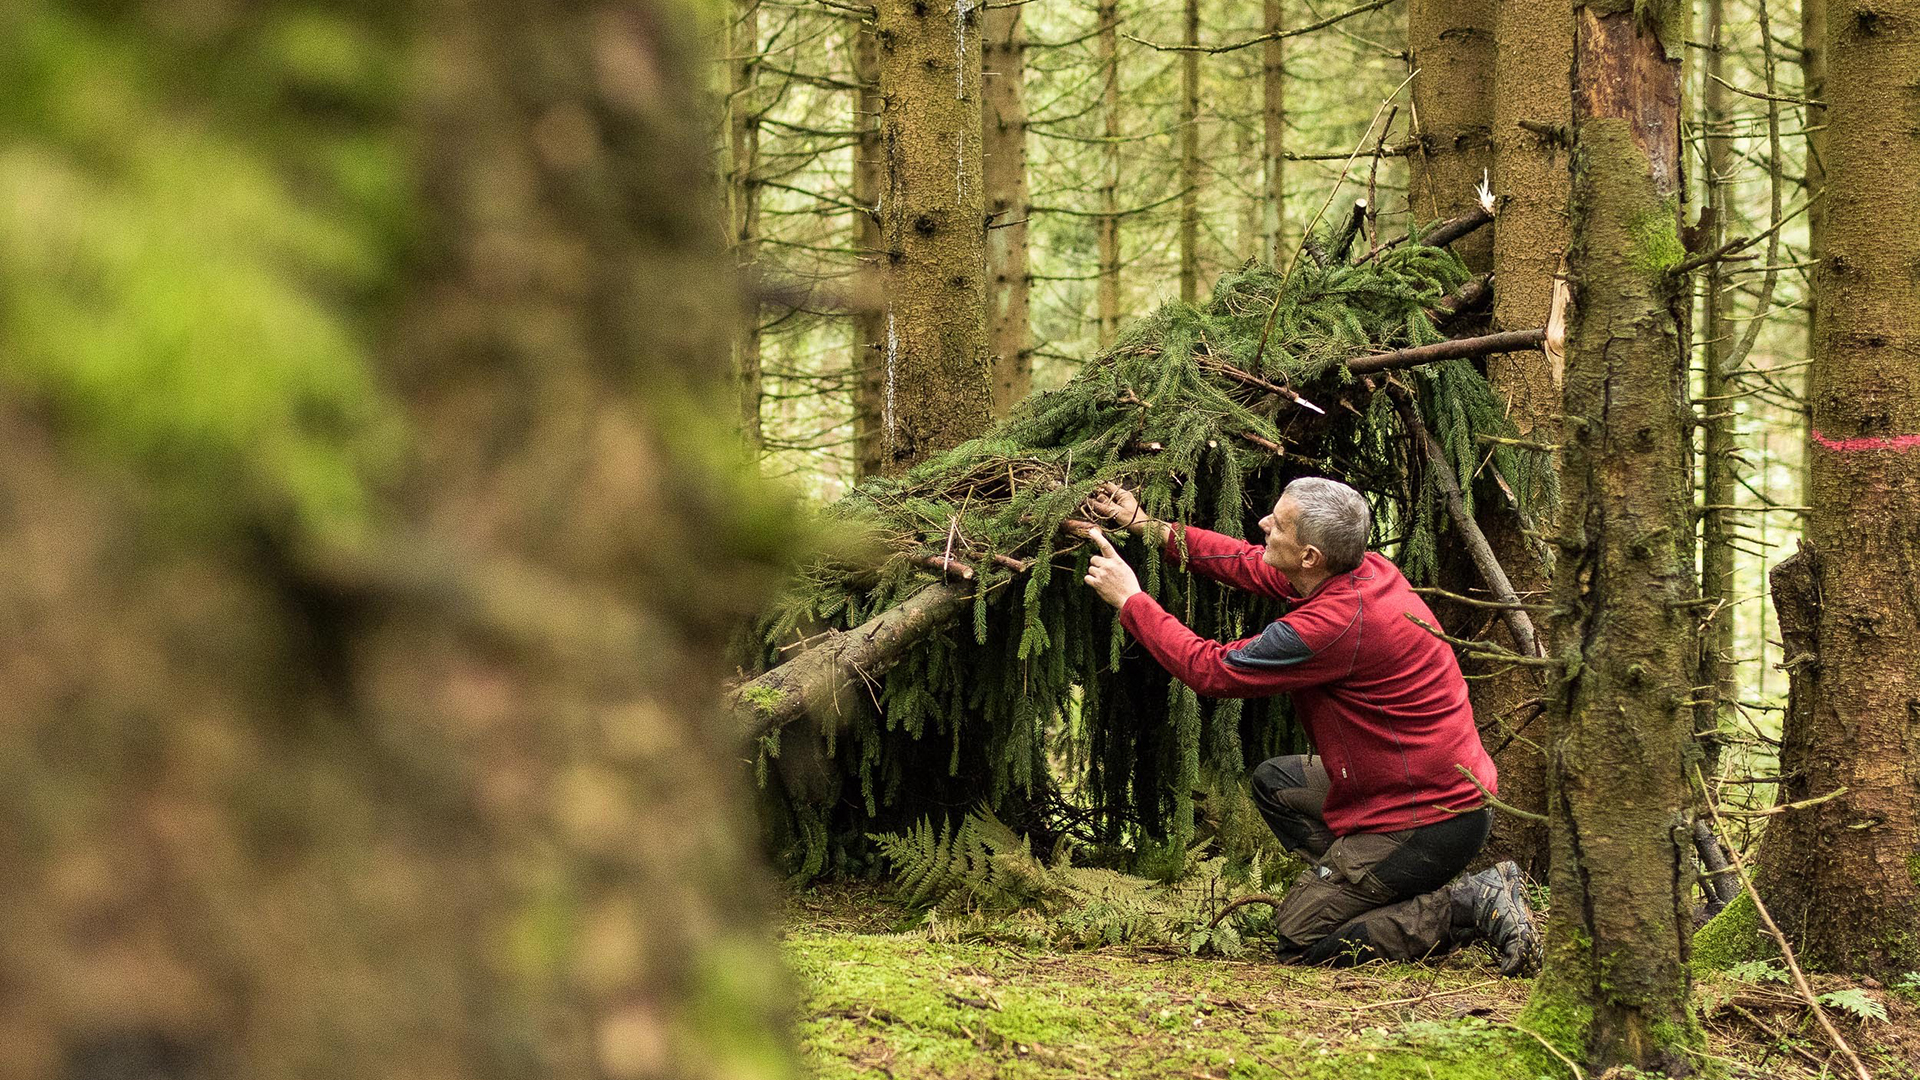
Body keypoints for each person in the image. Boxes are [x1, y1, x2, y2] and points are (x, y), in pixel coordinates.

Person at [1079, 476, 1541, 975]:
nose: (1263, 525)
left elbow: (1209, 670)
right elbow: (1246, 562)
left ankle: (1464, 905)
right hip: (1411, 787)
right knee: (1276, 784)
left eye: (1277, 525)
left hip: (1427, 816)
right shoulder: (1359, 570)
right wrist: (1148, 527)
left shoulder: (1333, 625)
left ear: (1310, 557)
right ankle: (1366, 889)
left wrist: (1131, 601)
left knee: (1302, 939)